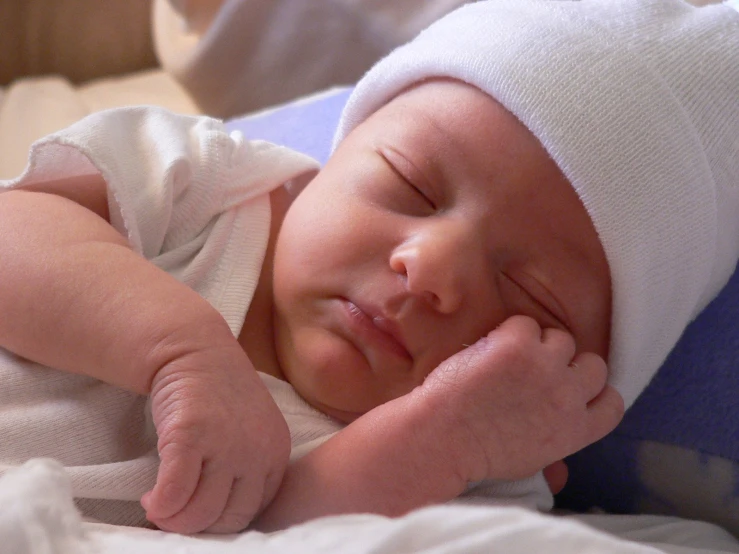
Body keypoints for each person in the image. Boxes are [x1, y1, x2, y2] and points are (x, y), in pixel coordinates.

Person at [0, 0, 737, 536]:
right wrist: (177, 349)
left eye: (530, 296)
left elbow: (296, 539)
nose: (430, 269)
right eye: (411, 184)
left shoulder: (473, 459)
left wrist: (440, 441)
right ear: (338, 154)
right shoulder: (208, 192)